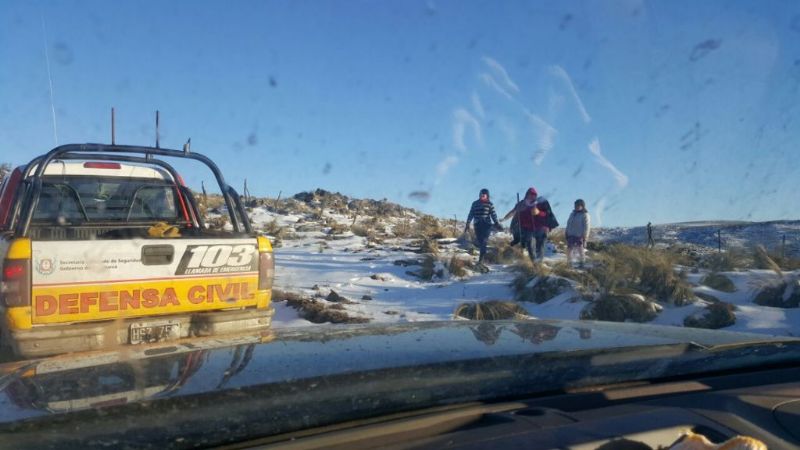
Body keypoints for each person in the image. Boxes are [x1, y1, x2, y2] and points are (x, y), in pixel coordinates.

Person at [502, 187, 551, 261]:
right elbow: (513, 212)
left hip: (539, 229)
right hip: (527, 229)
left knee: (540, 248)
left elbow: (546, 214)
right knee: (531, 247)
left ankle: (539, 264)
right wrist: (504, 218)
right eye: (530, 194)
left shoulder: (539, 204)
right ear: (526, 195)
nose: (532, 196)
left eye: (534, 195)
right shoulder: (521, 204)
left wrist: (539, 213)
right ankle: (534, 264)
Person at [464, 188, 501, 264]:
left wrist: (496, 223)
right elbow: (471, 214)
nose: (482, 196)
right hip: (477, 225)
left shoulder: (490, 204)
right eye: (481, 195)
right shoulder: (475, 204)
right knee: (480, 242)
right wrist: (468, 223)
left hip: (486, 225)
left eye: (484, 195)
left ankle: (481, 260)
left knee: (484, 241)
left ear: (487, 196)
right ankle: (484, 256)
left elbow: (493, 214)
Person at [565, 199, 591, 267]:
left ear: (582, 206)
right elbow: (568, 224)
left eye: (578, 205)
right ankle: (569, 263)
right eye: (575, 205)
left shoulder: (585, 215)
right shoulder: (572, 214)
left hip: (579, 236)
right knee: (569, 250)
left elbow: (587, 227)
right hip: (571, 235)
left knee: (580, 250)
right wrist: (566, 232)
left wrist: (585, 237)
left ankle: (582, 263)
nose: (576, 207)